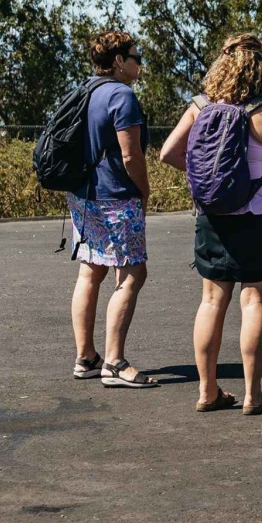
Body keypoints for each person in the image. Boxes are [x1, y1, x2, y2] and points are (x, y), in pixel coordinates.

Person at [159, 34, 262, 414]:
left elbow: (168, 153)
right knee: (255, 300)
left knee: (211, 300)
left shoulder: (200, 107)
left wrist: (206, 181)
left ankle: (207, 391)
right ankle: (252, 395)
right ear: (261, 68)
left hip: (214, 216)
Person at [67, 30, 157, 389]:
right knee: (133, 273)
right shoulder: (122, 95)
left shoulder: (85, 91)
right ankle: (115, 363)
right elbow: (131, 155)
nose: (139, 62)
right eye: (136, 55)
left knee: (91, 271)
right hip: (117, 196)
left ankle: (86, 358)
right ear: (119, 61)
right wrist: (145, 191)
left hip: (83, 194)